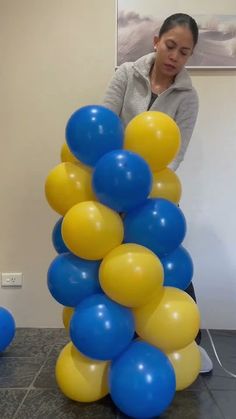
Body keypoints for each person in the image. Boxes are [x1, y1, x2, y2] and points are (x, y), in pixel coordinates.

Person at [103, 13, 213, 373]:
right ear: (155, 40)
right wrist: (121, 182)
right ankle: (114, 336)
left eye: (184, 52)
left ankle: (188, 342)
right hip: (115, 188)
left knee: (169, 265)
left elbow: (175, 154)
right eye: (170, 46)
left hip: (156, 193)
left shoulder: (188, 98)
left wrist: (144, 188)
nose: (174, 57)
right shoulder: (125, 74)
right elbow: (105, 124)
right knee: (118, 266)